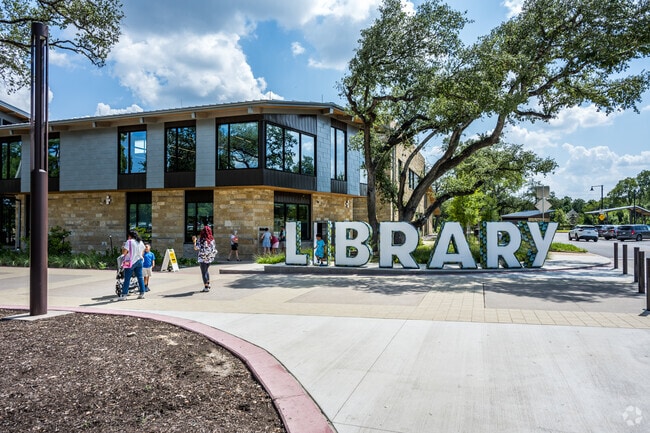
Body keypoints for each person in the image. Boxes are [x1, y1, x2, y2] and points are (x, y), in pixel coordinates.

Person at [116, 230, 146, 300]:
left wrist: (123, 247)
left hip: (130, 262)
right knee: (140, 277)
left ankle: (124, 295)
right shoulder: (140, 242)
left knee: (127, 278)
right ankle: (142, 293)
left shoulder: (129, 242)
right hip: (139, 261)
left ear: (130, 236)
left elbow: (124, 252)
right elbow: (143, 250)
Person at [193, 224, 217, 292]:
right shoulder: (212, 240)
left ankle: (206, 287)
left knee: (204, 273)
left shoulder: (201, 240)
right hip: (209, 258)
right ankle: (208, 284)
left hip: (202, 258)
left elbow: (195, 248)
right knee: (206, 271)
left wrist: (194, 241)